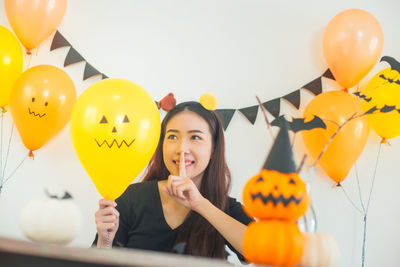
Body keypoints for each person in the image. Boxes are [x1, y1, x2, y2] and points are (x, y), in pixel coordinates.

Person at [94, 101, 253, 260]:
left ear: (213, 148)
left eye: (195, 137)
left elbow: (261, 252)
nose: (181, 149)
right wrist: (105, 243)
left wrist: (200, 204)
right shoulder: (131, 198)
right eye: (172, 137)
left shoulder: (225, 208)